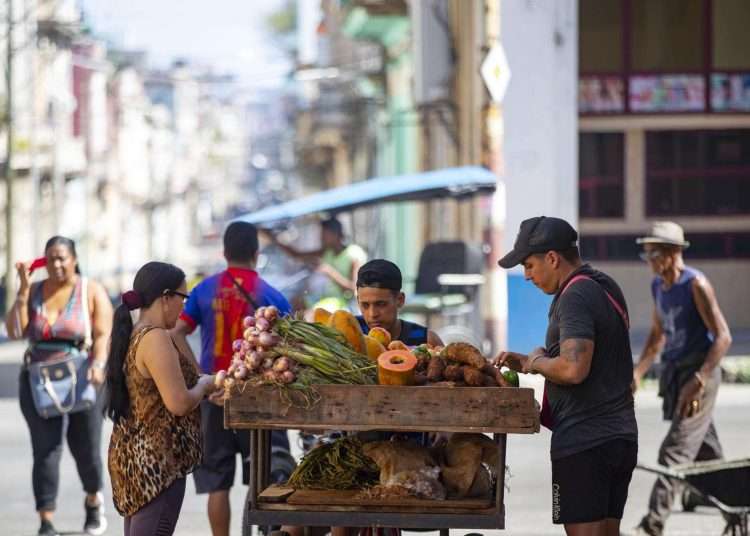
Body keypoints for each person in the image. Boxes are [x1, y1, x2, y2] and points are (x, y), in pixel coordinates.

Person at [494, 216, 638, 536]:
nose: (527, 276)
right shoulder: (605, 285)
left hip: (584, 445)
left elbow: (574, 369)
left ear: (552, 258)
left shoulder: (575, 295)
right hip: (620, 437)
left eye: (529, 266)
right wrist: (529, 363)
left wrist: (536, 360)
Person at [171, 221, 294, 536]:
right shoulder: (273, 296)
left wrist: (200, 374)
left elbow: (178, 332)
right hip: (261, 400)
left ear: (224, 252)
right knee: (268, 476)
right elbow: (292, 351)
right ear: (256, 253)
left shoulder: (204, 290)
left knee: (217, 483)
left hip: (215, 394)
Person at [5, 236, 113, 536]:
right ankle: (46, 519)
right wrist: (24, 291)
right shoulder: (36, 291)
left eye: (62, 257)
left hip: (83, 377)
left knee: (86, 448)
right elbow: (14, 330)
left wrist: (99, 364)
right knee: (46, 450)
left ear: (74, 259)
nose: (56, 264)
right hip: (39, 380)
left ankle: (93, 500)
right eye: (50, 258)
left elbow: (104, 334)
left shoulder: (90, 290)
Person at [631, 222, 732, 536]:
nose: (649, 260)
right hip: (677, 374)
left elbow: (723, 337)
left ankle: (652, 525)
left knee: (674, 451)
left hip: (699, 375)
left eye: (654, 253)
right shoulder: (658, 287)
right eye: (646, 254)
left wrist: (700, 379)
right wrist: (638, 371)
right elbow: (658, 335)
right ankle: (737, 502)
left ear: (674, 253)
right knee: (705, 451)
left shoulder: (695, 284)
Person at [106, 261, 218, 535]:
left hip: (134, 461)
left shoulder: (133, 333)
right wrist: (204, 386)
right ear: (166, 297)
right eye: (183, 298)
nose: (184, 308)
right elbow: (178, 402)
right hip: (156, 465)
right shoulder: (155, 338)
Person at [264, 217, 367, 310]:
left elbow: (355, 288)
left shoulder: (354, 254)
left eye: (324, 235)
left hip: (343, 303)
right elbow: (296, 255)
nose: (321, 238)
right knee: (295, 302)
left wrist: (329, 272)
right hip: (326, 297)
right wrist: (273, 238)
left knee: (312, 313)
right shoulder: (327, 252)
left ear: (335, 235)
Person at [355, 259, 442, 347]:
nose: (372, 314)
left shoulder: (426, 341)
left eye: (381, 304)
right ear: (358, 301)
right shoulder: (347, 335)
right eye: (365, 305)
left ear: (400, 300)